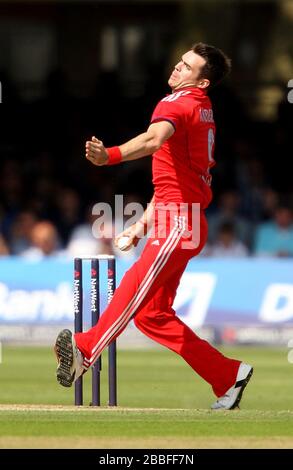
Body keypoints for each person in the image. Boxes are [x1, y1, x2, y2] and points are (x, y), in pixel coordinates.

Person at [54, 42, 253, 410]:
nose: (177, 68)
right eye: (179, 61)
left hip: (180, 220)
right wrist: (141, 226)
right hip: (181, 218)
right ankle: (228, 375)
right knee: (151, 315)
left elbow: (152, 140)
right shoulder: (202, 109)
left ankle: (86, 349)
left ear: (202, 82)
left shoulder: (176, 103)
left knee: (133, 284)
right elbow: (171, 179)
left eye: (187, 67)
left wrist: (109, 156)